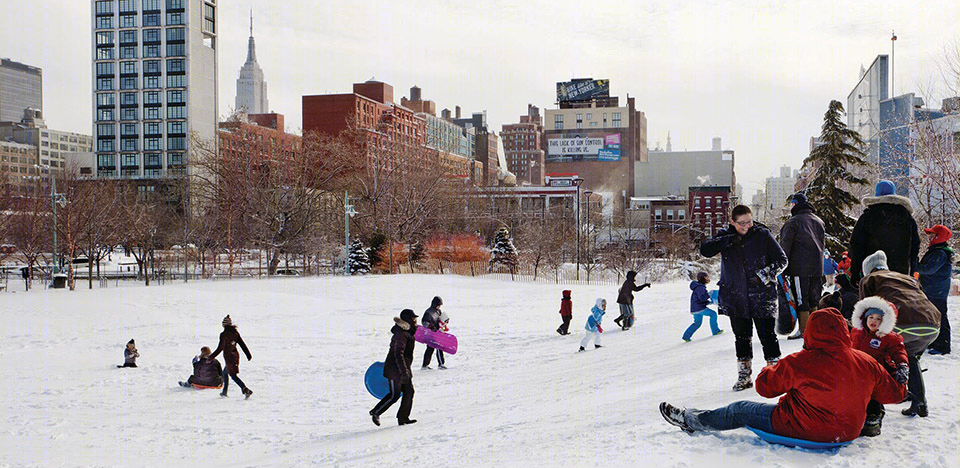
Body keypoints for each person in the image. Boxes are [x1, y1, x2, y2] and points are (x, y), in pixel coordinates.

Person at [659, 308, 907, 443]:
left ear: (811, 332)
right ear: (844, 331)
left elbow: (764, 388)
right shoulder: (866, 361)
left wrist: (770, 369)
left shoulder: (801, 361)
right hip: (848, 432)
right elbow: (895, 394)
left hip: (806, 429)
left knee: (739, 409)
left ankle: (691, 420)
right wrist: (899, 371)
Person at [699, 205, 788, 391]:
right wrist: (727, 240)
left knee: (767, 336)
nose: (746, 226)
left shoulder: (762, 235)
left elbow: (782, 260)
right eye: (741, 223)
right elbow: (705, 250)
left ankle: (775, 375)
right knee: (742, 337)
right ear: (732, 222)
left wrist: (763, 276)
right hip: (735, 296)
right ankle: (744, 376)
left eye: (749, 221)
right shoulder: (725, 237)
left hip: (762, 296)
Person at [859, 250, 941, 417]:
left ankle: (878, 405)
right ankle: (919, 403)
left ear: (868, 269)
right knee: (910, 357)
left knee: (878, 353)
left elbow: (865, 310)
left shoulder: (870, 279)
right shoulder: (907, 277)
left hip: (902, 322)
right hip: (932, 323)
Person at [850, 297, 910, 436]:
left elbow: (899, 352)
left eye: (879, 319)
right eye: (871, 317)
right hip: (856, 369)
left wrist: (902, 366)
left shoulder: (890, 338)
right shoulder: (856, 332)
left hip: (877, 372)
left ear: (886, 321)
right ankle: (855, 415)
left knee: (872, 394)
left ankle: (874, 416)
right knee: (856, 394)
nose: (874, 321)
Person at [848, 180, 920, 283]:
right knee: (896, 298)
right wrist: (913, 270)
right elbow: (915, 247)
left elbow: (856, 246)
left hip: (873, 273)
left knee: (876, 298)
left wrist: (855, 272)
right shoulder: (907, 218)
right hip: (900, 274)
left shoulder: (867, 217)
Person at [778, 192, 826, 340]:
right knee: (814, 299)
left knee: (801, 299)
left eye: (792, 203)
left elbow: (784, 247)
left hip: (799, 268)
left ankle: (805, 331)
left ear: (795, 204)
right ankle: (815, 329)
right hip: (817, 268)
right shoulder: (819, 221)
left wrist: (781, 266)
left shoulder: (793, 222)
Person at [370, 309, 419, 426]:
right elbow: (398, 354)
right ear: (408, 320)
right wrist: (404, 371)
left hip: (402, 369)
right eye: (413, 319)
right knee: (394, 395)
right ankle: (376, 412)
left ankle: (403, 418)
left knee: (409, 392)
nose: (416, 321)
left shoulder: (407, 332)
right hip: (395, 370)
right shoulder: (401, 334)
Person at [917, 225, 953, 355]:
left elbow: (929, 269)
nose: (929, 237)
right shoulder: (936, 250)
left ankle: (943, 345)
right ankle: (935, 341)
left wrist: (914, 264)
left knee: (940, 317)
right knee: (932, 316)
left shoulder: (940, 253)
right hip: (932, 289)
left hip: (937, 291)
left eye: (932, 234)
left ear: (939, 236)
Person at [210, 315, 253, 399]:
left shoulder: (224, 335)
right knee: (225, 373)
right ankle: (224, 392)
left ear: (224, 325)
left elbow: (220, 348)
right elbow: (242, 344)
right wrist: (248, 354)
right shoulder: (235, 333)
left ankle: (245, 389)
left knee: (233, 375)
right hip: (235, 357)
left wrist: (211, 357)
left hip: (229, 358)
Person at [683, 271, 723, 342]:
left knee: (697, 323)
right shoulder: (700, 287)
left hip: (695, 309)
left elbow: (700, 299)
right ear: (702, 278)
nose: (708, 278)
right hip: (699, 308)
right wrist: (709, 294)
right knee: (713, 314)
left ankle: (686, 336)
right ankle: (715, 331)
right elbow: (702, 297)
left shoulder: (698, 287)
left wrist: (708, 302)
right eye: (706, 277)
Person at [421, 296, 446, 370]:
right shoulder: (429, 312)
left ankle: (440, 363)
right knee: (430, 348)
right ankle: (425, 365)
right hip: (431, 333)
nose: (439, 306)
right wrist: (430, 327)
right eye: (439, 305)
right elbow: (424, 322)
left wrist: (444, 322)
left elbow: (441, 320)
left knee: (438, 348)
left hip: (437, 333)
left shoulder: (438, 311)